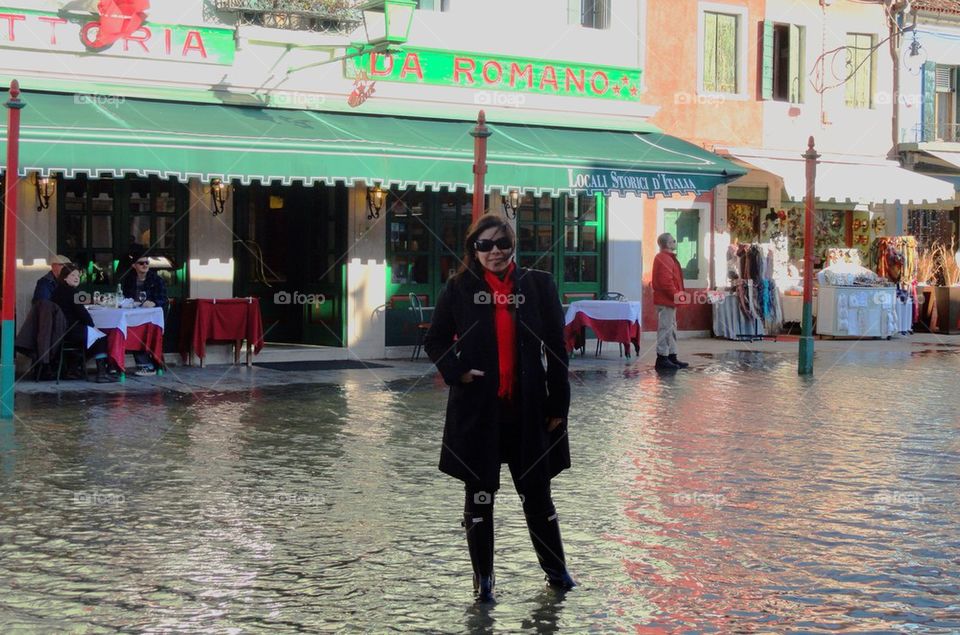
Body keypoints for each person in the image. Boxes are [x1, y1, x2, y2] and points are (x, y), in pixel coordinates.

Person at [423, 213, 576, 603]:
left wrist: (559, 402)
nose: (495, 252)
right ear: (473, 249)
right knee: (479, 496)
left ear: (513, 246)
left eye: (502, 244)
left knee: (537, 494)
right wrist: (458, 372)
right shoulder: (459, 288)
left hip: (529, 410)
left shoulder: (538, 286)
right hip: (478, 411)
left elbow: (556, 348)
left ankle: (558, 576)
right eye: (485, 245)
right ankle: (484, 583)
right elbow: (436, 340)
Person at [51, 264, 117, 383]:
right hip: (70, 330)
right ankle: (101, 373)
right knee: (101, 337)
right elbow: (84, 315)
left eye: (78, 275)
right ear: (65, 277)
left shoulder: (58, 290)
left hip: (60, 330)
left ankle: (73, 369)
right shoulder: (72, 292)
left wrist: (96, 299)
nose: (76, 278)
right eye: (72, 275)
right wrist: (93, 327)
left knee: (93, 337)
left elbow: (87, 299)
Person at [120, 249, 167, 376]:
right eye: (141, 263)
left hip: (151, 317)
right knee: (121, 331)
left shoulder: (156, 280)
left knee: (137, 332)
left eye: (147, 262)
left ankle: (147, 365)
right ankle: (116, 364)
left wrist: (155, 303)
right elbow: (124, 297)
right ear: (134, 266)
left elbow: (163, 299)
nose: (145, 265)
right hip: (133, 314)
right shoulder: (129, 279)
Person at [651, 232, 689, 370]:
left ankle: (671, 356)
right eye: (673, 240)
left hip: (669, 300)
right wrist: (677, 295)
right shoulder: (664, 258)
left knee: (671, 329)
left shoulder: (666, 258)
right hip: (666, 300)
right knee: (666, 329)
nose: (675, 242)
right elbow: (666, 282)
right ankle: (662, 358)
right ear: (667, 244)